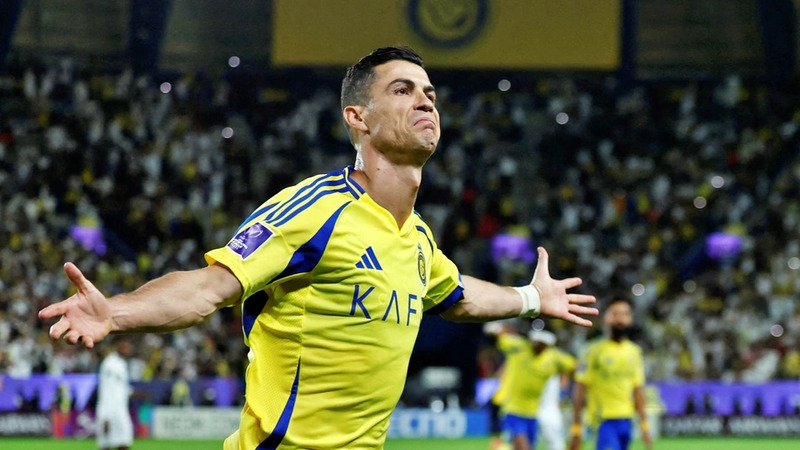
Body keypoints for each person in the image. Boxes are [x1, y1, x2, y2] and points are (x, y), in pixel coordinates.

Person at [39, 46, 598, 449]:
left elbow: (458, 296)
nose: (425, 101)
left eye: (429, 93)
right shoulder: (317, 209)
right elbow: (210, 287)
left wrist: (531, 299)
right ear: (357, 118)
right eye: (402, 90)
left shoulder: (418, 238)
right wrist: (115, 312)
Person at [569, 298, 652, 450]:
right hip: (602, 420)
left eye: (625, 314)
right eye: (615, 314)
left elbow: (638, 390)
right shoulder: (591, 351)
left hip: (626, 420)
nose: (620, 319)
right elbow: (580, 390)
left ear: (631, 319)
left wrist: (644, 426)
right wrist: (576, 430)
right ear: (604, 319)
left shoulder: (634, 352)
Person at [486, 324, 576, 450]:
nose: (537, 345)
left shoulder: (554, 357)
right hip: (513, 409)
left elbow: (575, 368)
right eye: (535, 341)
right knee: (523, 447)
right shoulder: (519, 346)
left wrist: (563, 392)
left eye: (541, 343)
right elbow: (497, 334)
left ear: (548, 344)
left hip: (533, 412)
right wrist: (497, 328)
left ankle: (499, 447)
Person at [95, 336, 134, 450]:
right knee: (109, 444)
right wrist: (105, 416)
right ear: (117, 346)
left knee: (123, 441)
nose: (128, 348)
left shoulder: (121, 363)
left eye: (128, 346)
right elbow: (106, 390)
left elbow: (121, 388)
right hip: (111, 411)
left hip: (120, 409)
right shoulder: (110, 364)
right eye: (124, 346)